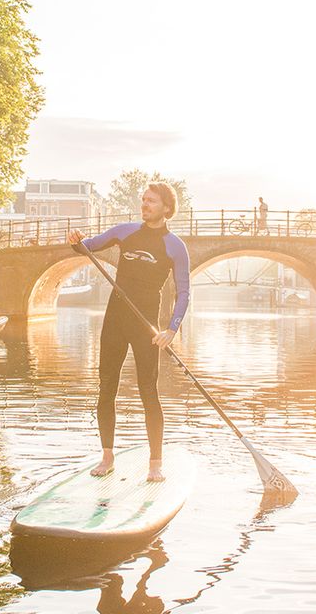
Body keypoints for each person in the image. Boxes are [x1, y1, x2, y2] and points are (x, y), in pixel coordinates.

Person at [67, 182, 190, 482]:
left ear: (166, 208)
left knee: (149, 391)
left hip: (146, 324)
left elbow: (184, 292)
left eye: (151, 201)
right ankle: (107, 457)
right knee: (106, 386)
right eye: (143, 199)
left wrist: (171, 329)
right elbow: (89, 246)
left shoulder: (174, 246)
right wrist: (76, 240)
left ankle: (155, 463)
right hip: (115, 320)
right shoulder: (124, 231)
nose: (145, 204)